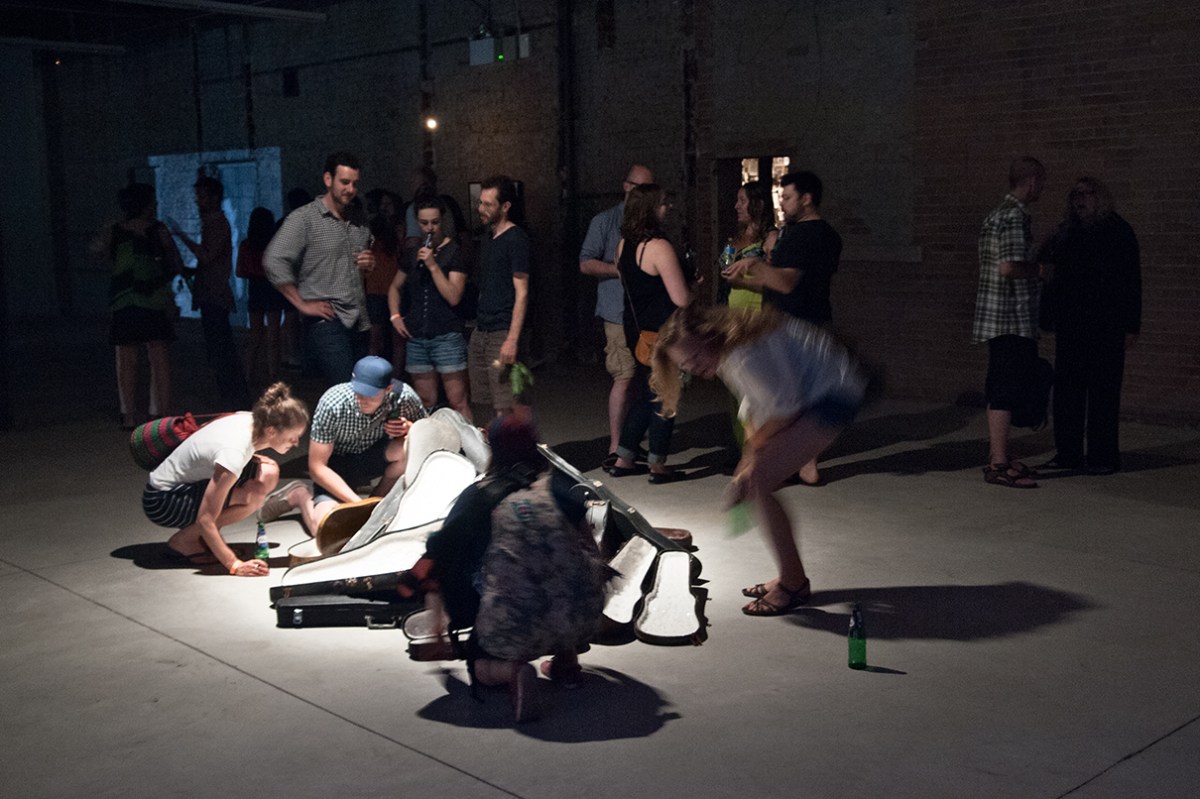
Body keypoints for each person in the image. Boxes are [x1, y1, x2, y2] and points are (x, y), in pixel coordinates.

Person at [651, 304, 867, 615]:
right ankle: (790, 575)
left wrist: (752, 465)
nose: (694, 368)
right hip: (810, 394)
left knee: (760, 481)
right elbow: (751, 402)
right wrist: (748, 458)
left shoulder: (744, 352)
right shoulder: (725, 351)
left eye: (695, 357)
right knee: (755, 477)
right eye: (685, 365)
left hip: (833, 395)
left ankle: (794, 584)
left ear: (710, 336)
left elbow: (785, 408)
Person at [424, 415, 608, 723]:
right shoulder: (561, 487)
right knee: (562, 573)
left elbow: (440, 558)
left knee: (480, 665)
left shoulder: (479, 495)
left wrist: (439, 629)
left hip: (513, 623)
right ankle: (568, 665)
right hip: (580, 616)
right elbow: (591, 550)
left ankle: (514, 670)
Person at [723, 170, 840, 485]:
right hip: (818, 319)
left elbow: (787, 282)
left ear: (806, 198)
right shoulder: (829, 234)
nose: (783, 204)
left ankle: (775, 462)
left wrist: (752, 269)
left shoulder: (800, 235)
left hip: (791, 324)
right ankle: (806, 464)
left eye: (787, 198)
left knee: (766, 399)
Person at [143, 382, 309, 576]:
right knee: (254, 495)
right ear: (271, 431)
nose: (297, 443)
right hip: (162, 501)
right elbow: (206, 518)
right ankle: (184, 541)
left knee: (268, 471)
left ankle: (205, 540)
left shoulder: (250, 419)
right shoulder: (234, 453)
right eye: (293, 437)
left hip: (185, 484)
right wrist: (234, 564)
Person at [1037, 176, 1141, 475]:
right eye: (1075, 194)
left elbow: (1131, 282)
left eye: (1087, 194)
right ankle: (1068, 454)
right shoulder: (1067, 232)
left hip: (1107, 326)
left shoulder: (1118, 231)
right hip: (1072, 324)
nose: (1079, 199)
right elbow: (1052, 273)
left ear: (1101, 197)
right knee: (1067, 392)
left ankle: (1103, 457)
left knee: (1103, 393)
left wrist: (1131, 326)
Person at [264, 152, 376, 387]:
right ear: (328, 179)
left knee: (363, 391)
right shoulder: (305, 219)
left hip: (358, 318)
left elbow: (357, 265)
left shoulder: (358, 220)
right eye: (344, 182)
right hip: (328, 319)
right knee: (345, 390)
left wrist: (369, 264)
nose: (350, 189)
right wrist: (302, 303)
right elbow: (273, 260)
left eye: (355, 183)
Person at [605, 184, 691, 483]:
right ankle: (657, 465)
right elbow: (680, 298)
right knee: (667, 395)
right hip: (662, 332)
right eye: (664, 203)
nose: (668, 208)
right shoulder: (659, 247)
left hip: (636, 329)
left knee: (646, 394)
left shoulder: (623, 244)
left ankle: (625, 457)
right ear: (651, 209)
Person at [972, 157, 1047, 488]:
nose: (1041, 189)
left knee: (1001, 385)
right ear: (1031, 182)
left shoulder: (996, 213)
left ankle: (998, 456)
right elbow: (1010, 267)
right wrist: (1041, 271)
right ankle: (999, 462)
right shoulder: (1015, 215)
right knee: (1004, 388)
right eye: (1040, 183)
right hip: (1011, 317)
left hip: (995, 315)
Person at [579, 164, 654, 465]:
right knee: (623, 377)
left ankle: (630, 442)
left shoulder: (650, 223)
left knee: (641, 380)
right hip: (615, 311)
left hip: (644, 313)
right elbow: (585, 263)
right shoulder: (605, 221)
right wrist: (621, 272)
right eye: (642, 188)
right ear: (626, 186)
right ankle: (615, 446)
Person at [96, 182, 183, 429]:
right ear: (145, 205)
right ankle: (162, 413)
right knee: (159, 355)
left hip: (124, 299)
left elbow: (99, 253)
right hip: (154, 298)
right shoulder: (158, 230)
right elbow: (175, 262)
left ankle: (129, 414)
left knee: (126, 356)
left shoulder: (114, 231)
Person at [300, 355, 427, 508]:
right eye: (359, 392)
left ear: (388, 389)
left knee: (409, 447)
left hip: (372, 456)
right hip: (336, 464)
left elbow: (430, 433)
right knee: (325, 522)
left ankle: (379, 499)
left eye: (371, 395)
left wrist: (410, 428)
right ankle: (300, 497)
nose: (363, 399)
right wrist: (358, 504)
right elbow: (317, 467)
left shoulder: (403, 397)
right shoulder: (333, 403)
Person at [169, 175, 251, 410]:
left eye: (202, 196)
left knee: (221, 348)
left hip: (215, 295)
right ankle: (233, 398)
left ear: (214, 198)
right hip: (211, 294)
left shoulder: (217, 223)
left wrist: (181, 236)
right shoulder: (214, 223)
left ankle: (234, 398)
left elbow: (207, 255)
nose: (198, 201)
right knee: (219, 348)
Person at [388, 194, 472, 419]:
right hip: (417, 338)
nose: (430, 228)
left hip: (447, 336)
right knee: (425, 402)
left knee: (457, 400)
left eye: (434, 222)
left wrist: (434, 266)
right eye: (424, 223)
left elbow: (454, 296)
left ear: (442, 221)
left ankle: (470, 450)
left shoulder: (454, 252)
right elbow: (395, 287)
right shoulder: (411, 254)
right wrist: (395, 315)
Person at [469, 175, 529, 418]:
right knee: (484, 404)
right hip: (481, 329)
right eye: (480, 203)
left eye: (488, 204)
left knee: (507, 405)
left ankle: (513, 453)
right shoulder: (489, 237)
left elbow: (522, 293)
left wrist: (512, 339)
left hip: (501, 331)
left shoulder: (516, 239)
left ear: (505, 207)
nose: (481, 209)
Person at [236, 206, 286, 386]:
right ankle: (274, 376)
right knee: (274, 333)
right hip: (272, 288)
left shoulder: (246, 245)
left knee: (254, 334)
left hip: (255, 288)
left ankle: (247, 374)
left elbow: (240, 271)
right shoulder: (275, 243)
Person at [721, 180, 780, 311]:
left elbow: (775, 282)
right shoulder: (736, 237)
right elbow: (724, 267)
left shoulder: (771, 237)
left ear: (758, 205)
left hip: (755, 313)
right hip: (732, 312)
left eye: (742, 201)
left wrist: (752, 264)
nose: (736, 206)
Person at [363, 188, 405, 372]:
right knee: (375, 339)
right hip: (375, 290)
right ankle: (372, 376)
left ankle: (396, 379)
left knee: (397, 339)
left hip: (395, 290)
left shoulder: (399, 228)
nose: (385, 208)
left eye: (389, 204)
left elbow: (403, 254)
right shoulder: (372, 228)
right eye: (383, 205)